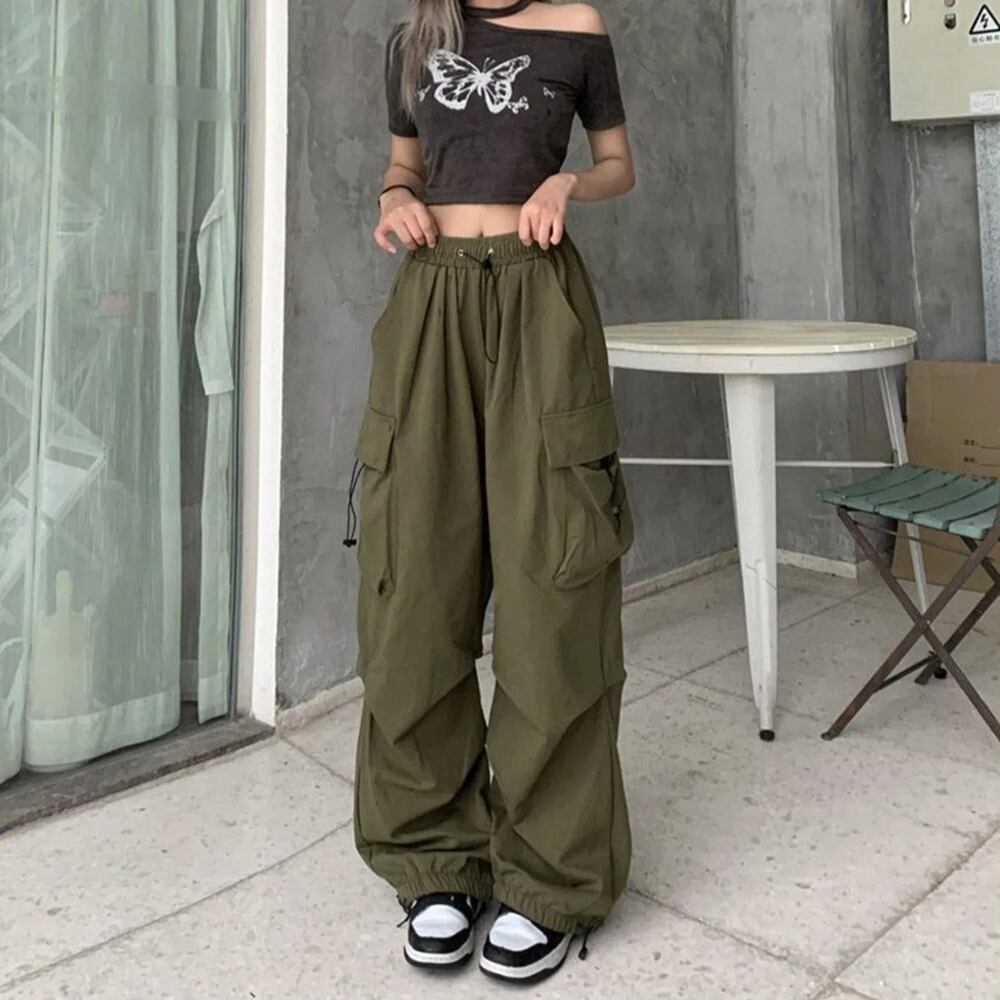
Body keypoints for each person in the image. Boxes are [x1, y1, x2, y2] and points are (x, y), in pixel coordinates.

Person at [344, 0, 636, 984]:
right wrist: (394, 201)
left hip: (538, 296)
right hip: (429, 298)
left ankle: (551, 876)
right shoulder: (414, 38)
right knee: (413, 580)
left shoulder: (577, 27)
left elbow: (617, 162)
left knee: (556, 582)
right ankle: (435, 856)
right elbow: (401, 170)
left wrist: (568, 180)